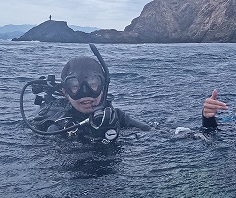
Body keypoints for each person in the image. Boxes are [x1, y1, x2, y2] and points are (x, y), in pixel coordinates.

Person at [22, 45, 150, 142]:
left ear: (103, 88)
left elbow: (151, 133)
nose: (85, 93)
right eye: (75, 87)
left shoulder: (117, 117)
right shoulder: (58, 127)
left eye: (93, 85)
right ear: (65, 92)